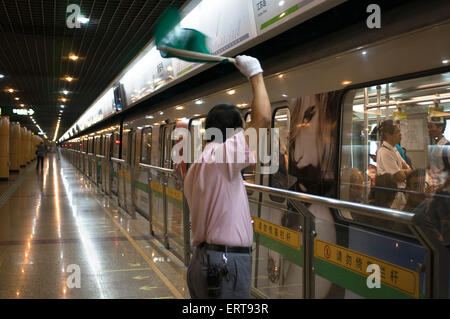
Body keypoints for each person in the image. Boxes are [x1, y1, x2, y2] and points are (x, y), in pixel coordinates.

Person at [184, 55, 271, 299]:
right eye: (242, 129)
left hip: (206, 260)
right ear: (233, 133)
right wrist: (255, 72)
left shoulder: (199, 164)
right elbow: (263, 119)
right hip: (224, 265)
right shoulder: (222, 157)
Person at [376, 120, 411, 209]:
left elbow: (408, 168)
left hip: (400, 193)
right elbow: (399, 176)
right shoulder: (385, 152)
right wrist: (404, 171)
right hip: (393, 195)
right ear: (388, 135)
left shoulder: (394, 149)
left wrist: (404, 171)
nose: (400, 134)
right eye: (397, 132)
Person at [427, 116, 449, 189]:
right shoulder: (435, 145)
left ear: (440, 128)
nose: (428, 130)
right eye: (428, 127)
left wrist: (442, 187)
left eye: (431, 127)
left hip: (445, 190)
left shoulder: (446, 146)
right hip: (435, 186)